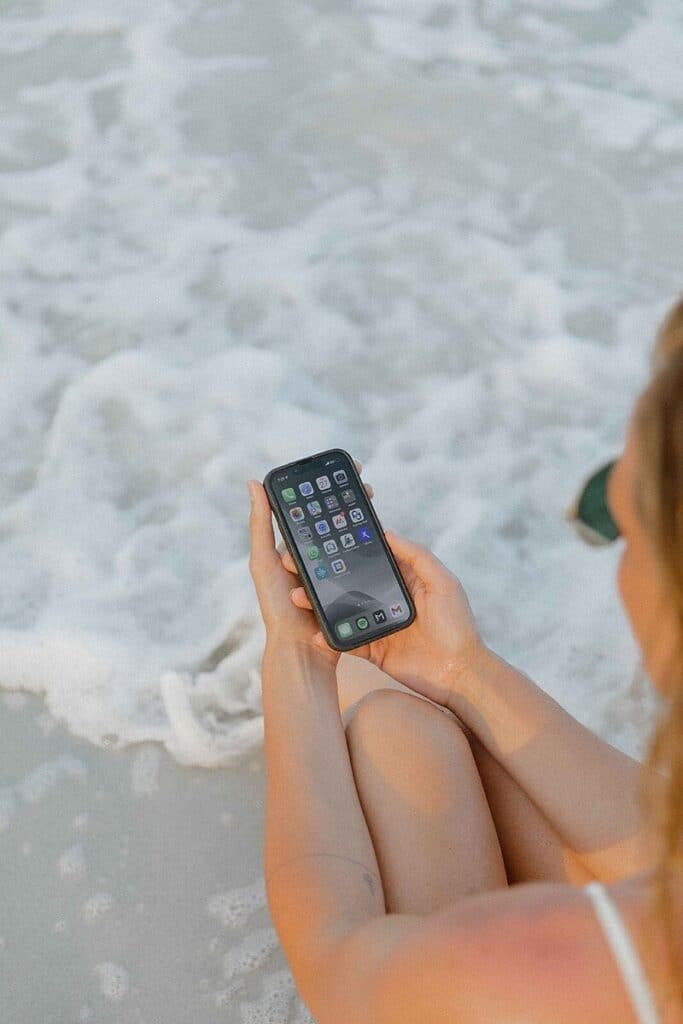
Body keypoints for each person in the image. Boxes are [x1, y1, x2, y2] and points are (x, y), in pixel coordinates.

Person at [246, 296, 683, 1023]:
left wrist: (292, 668)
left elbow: (335, 959)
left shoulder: (527, 959)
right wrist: (461, 671)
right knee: (422, 727)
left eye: (622, 524)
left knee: (390, 729)